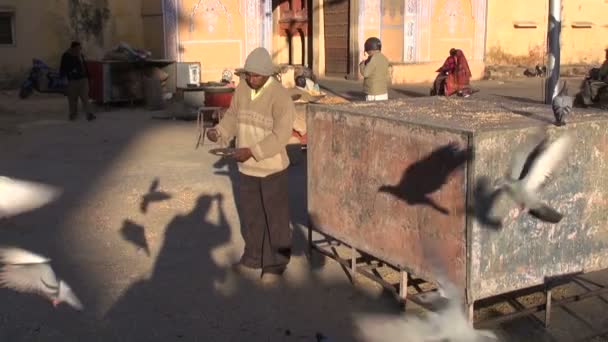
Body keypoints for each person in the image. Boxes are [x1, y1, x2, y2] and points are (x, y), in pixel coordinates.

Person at [206, 47, 295, 284]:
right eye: (248, 74)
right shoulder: (243, 89)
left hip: (272, 168)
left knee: (275, 218)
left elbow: (281, 135)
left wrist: (253, 152)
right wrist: (219, 132)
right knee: (252, 215)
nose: (251, 79)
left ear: (268, 74)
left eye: (256, 75)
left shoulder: (281, 97)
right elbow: (233, 117)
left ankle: (275, 265)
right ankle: (253, 258)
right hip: (246, 168)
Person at [60, 41, 96, 121]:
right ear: (73, 48)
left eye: (80, 48)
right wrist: (64, 78)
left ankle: (89, 114)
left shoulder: (80, 55)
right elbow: (63, 68)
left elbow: (84, 66)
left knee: (85, 98)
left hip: (83, 80)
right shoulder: (66, 55)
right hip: (72, 81)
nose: (79, 49)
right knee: (72, 100)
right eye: (78, 48)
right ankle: (73, 115)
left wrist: (89, 77)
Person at [359, 37, 390, 101]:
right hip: (383, 92)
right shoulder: (384, 58)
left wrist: (362, 64)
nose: (367, 53)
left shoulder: (373, 59)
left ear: (369, 49)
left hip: (373, 93)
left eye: (367, 51)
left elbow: (365, 73)